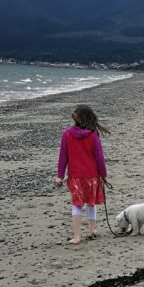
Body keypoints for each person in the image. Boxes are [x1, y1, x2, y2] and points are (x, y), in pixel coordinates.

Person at [55, 104, 109, 245]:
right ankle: (92, 230)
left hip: (75, 177)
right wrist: (103, 174)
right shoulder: (93, 135)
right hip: (92, 176)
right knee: (91, 203)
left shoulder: (67, 135)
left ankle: (77, 236)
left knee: (76, 205)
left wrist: (59, 176)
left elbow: (63, 157)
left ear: (76, 118)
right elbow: (99, 157)